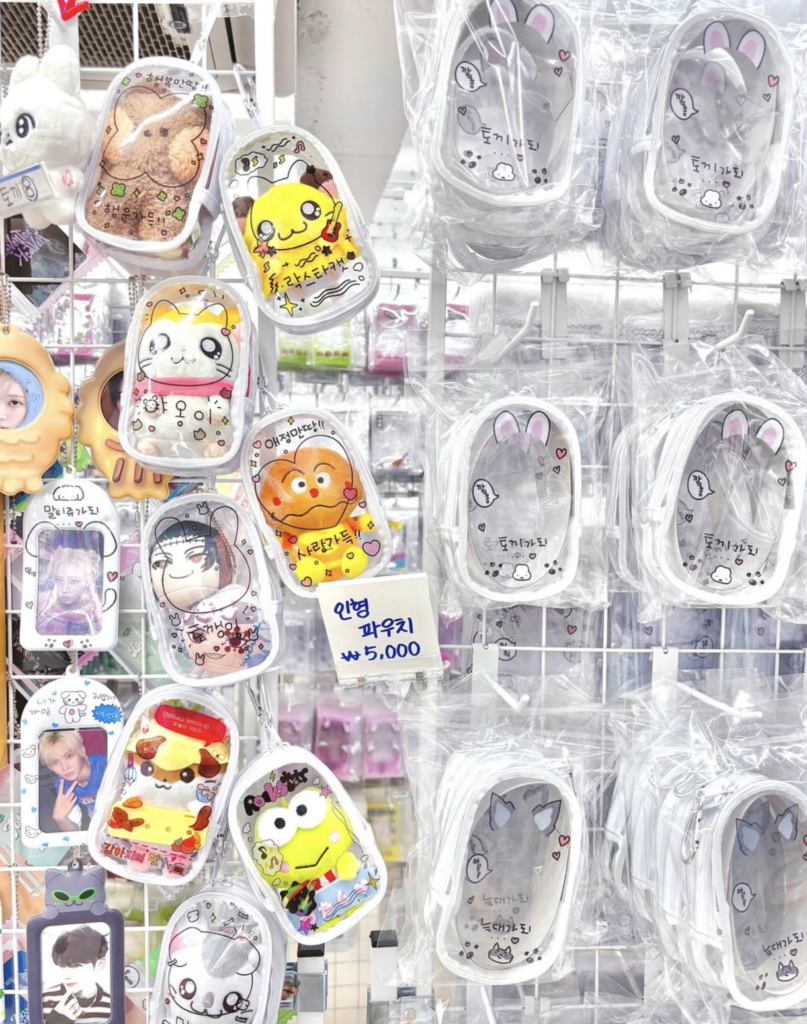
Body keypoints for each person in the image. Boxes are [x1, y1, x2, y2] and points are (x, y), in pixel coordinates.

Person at [39, 730, 107, 833]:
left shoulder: (104, 765)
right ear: (50, 767)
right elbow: (74, 830)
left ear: (82, 751)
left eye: (69, 756)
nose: (64, 767)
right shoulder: (63, 786)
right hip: (99, 823)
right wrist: (61, 819)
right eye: (55, 762)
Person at [41, 926, 112, 1023]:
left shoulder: (111, 1004)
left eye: (75, 966)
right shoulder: (45, 1000)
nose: (66, 975)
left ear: (100, 964)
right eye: (62, 965)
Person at [36, 546, 103, 637]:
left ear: (87, 582)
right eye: (58, 580)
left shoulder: (95, 608)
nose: (64, 589)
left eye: (74, 581)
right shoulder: (42, 601)